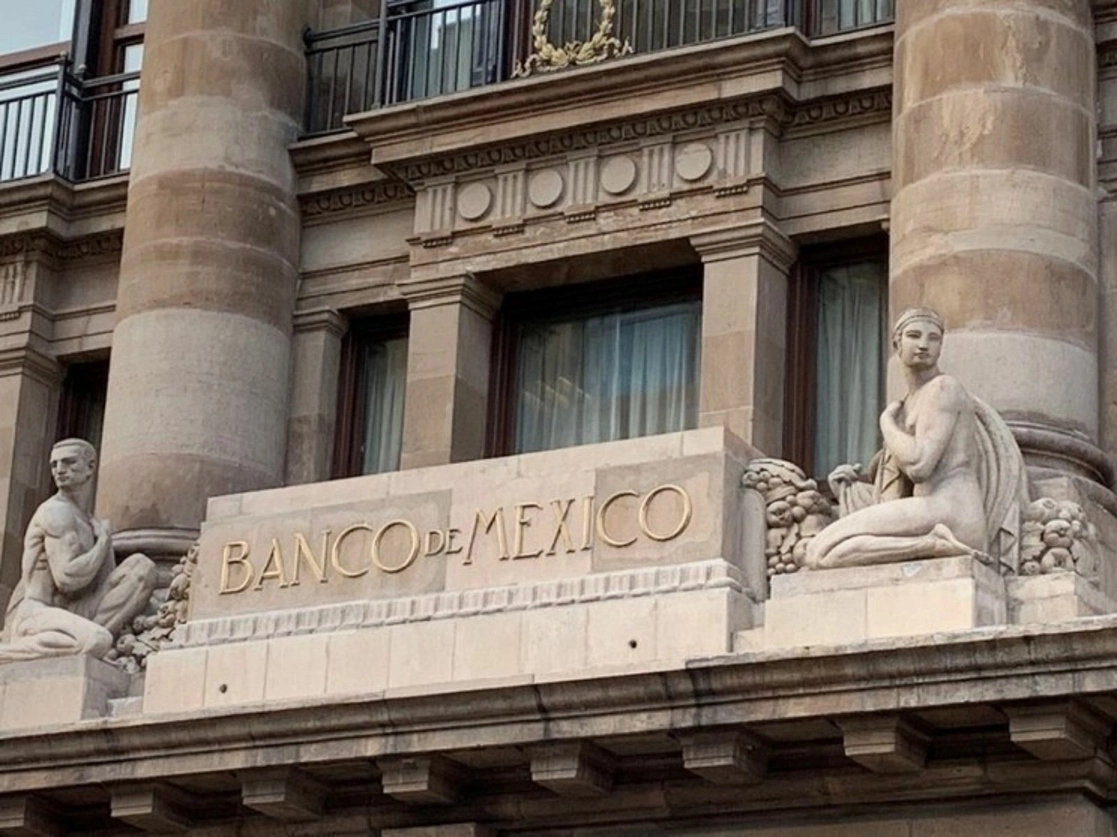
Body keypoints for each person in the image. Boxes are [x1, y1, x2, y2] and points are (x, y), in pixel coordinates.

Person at [804, 309, 991, 569]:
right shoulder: (909, 402)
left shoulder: (943, 388)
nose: (924, 345)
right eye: (914, 336)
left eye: (934, 338)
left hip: (953, 513)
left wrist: (886, 423)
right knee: (821, 555)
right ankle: (931, 545)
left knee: (820, 551)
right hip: (932, 514)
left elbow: (920, 466)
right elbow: (896, 495)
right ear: (897, 344)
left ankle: (938, 542)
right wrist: (853, 490)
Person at [0, 438, 157, 661]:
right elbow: (67, 578)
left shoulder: (88, 521)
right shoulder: (54, 512)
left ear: (90, 467)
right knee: (97, 640)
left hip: (71, 612)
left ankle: (86, 641)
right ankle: (9, 651)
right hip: (36, 615)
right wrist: (103, 542)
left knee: (141, 569)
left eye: (69, 462)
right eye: (54, 465)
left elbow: (104, 582)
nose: (60, 470)